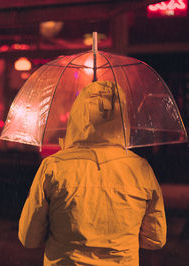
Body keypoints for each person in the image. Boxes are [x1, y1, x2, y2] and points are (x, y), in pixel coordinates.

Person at [18, 80, 166, 265]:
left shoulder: (53, 167)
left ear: (78, 116)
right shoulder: (141, 169)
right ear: (123, 119)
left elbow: (29, 237)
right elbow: (155, 239)